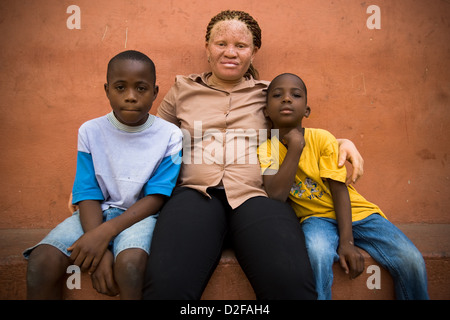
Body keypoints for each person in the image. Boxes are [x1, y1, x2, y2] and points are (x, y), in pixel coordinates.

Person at [141, 10, 364, 300]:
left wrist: (342, 141)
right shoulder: (182, 90)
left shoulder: (268, 93)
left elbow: (296, 130)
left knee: (291, 283)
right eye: (221, 43)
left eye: (241, 46)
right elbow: (154, 140)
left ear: (254, 51)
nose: (230, 52)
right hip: (195, 194)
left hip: (258, 195)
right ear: (207, 47)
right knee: (166, 285)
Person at [23, 50, 183, 299]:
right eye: (120, 87)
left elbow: (157, 196)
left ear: (154, 92)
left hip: (141, 217)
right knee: (41, 263)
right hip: (95, 213)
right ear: (107, 90)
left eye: (141, 88)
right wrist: (97, 247)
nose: (130, 97)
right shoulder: (90, 131)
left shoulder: (171, 135)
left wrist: (103, 235)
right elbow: (87, 191)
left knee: (130, 267)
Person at [257, 72, 429, 300]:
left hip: (359, 214)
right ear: (267, 111)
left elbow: (339, 191)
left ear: (307, 110)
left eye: (295, 95)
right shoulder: (265, 150)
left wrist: (346, 242)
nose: (287, 99)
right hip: (315, 220)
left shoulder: (323, 139)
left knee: (411, 258)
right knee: (317, 255)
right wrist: (296, 147)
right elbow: (276, 195)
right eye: (277, 95)